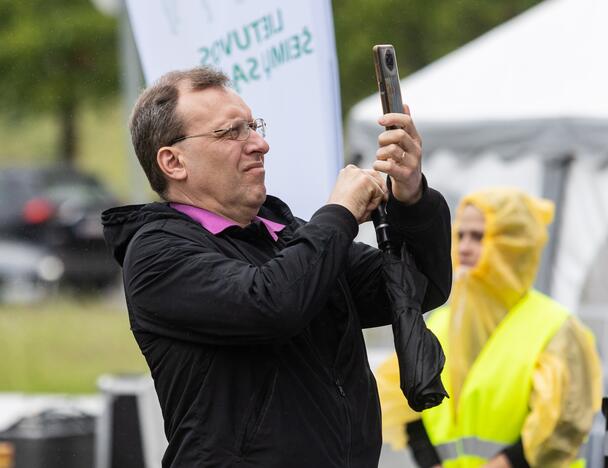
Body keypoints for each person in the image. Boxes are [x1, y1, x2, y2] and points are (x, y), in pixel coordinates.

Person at [101, 66, 452, 468]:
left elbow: (417, 289)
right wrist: (339, 213)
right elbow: (271, 303)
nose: (260, 144)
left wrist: (412, 198)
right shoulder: (156, 253)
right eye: (232, 132)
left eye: (254, 126)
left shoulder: (288, 235)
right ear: (173, 162)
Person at [376, 188, 602, 468]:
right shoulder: (441, 324)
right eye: (461, 235)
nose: (464, 247)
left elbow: (563, 424)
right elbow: (407, 406)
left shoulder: (555, 328)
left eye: (479, 236)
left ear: (514, 245)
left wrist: (505, 463)